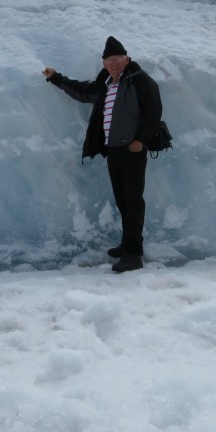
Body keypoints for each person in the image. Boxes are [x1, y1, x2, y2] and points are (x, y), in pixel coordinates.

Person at [42, 36, 162, 273]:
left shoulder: (140, 82)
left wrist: (140, 140)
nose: (114, 63)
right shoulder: (105, 85)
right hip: (114, 151)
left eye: (118, 59)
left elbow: (153, 112)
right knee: (122, 200)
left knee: (133, 202)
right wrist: (55, 78)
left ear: (126, 59)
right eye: (109, 60)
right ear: (104, 63)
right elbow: (81, 91)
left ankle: (133, 254)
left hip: (133, 151)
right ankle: (128, 244)